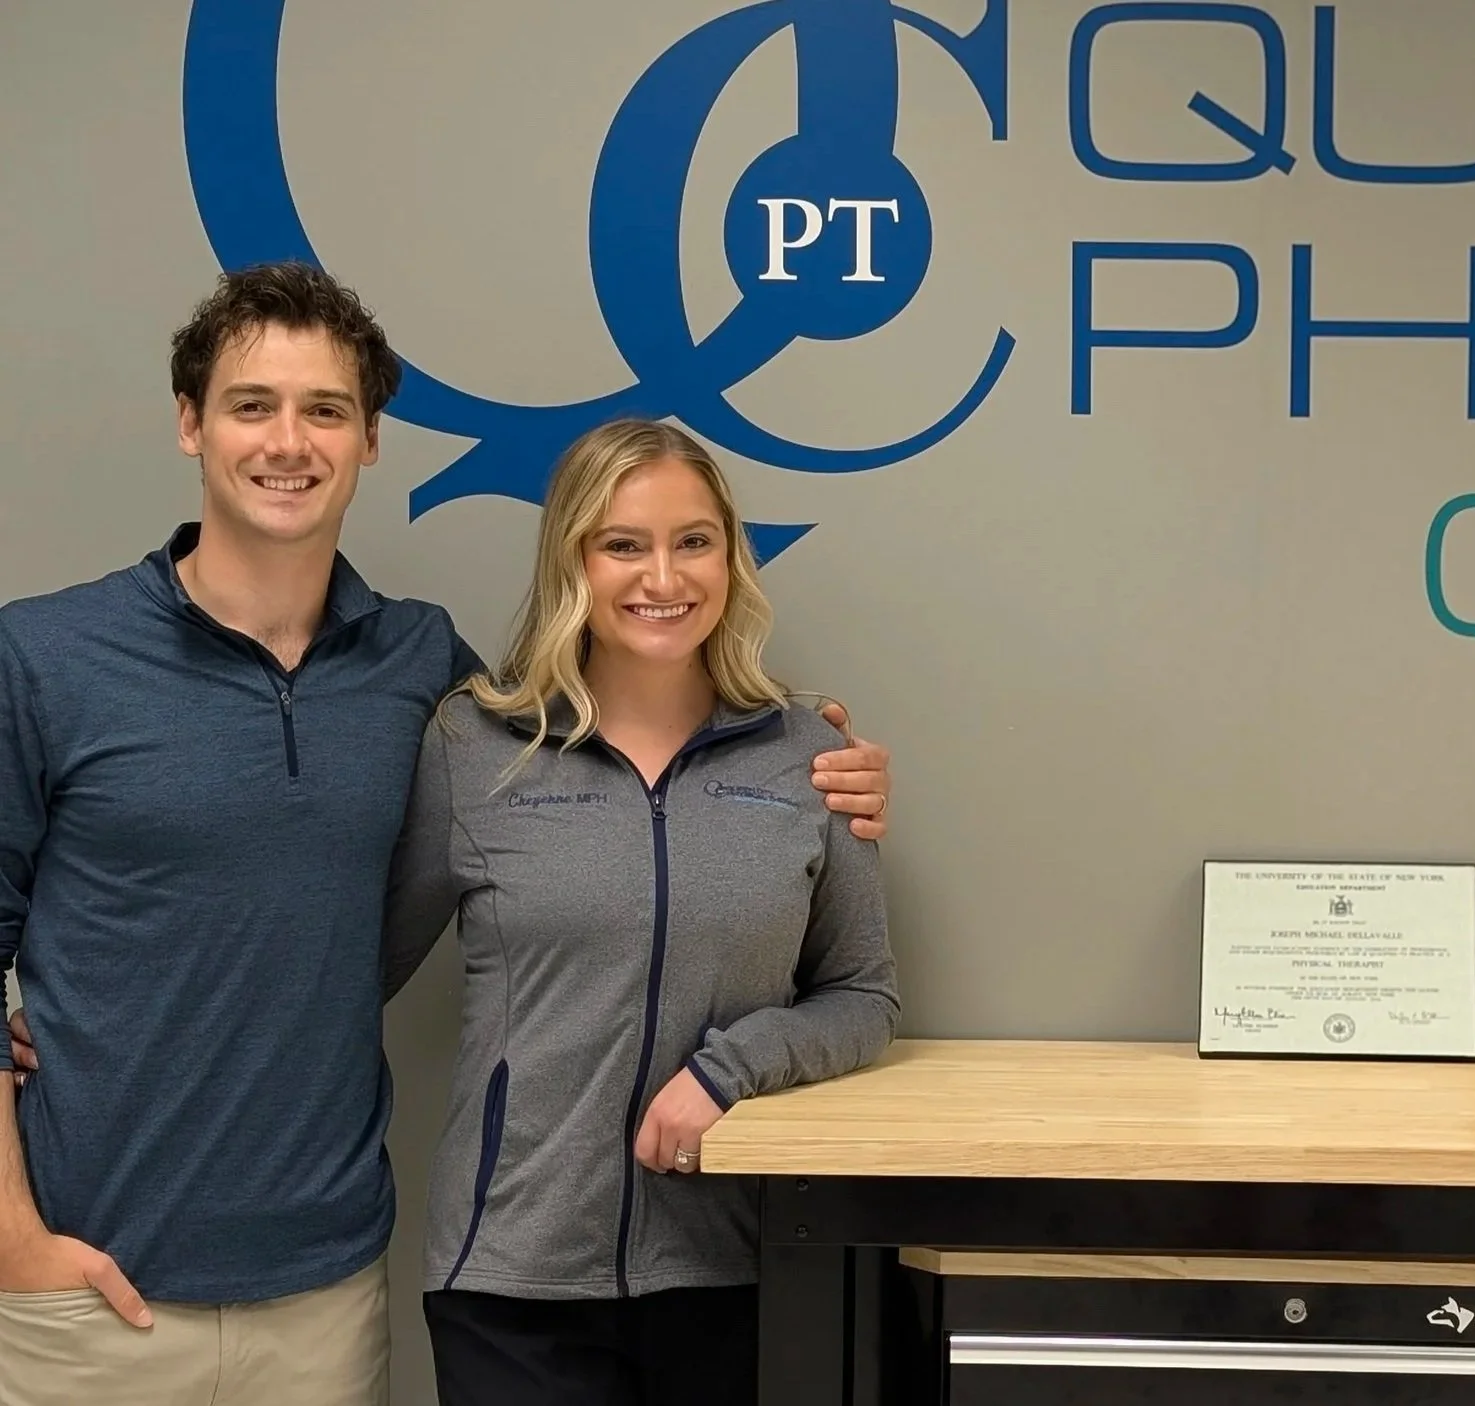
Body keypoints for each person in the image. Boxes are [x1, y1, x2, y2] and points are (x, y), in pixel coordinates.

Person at [0, 262, 894, 1406]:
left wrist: (822, 774)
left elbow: (601, 780)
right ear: (190, 422)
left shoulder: (424, 673)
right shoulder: (46, 656)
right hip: (87, 1283)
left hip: (325, 1287)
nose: (290, 441)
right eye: (251, 404)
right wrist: (14, 1232)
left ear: (370, 437)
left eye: (326, 409)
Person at [379, 417, 896, 1405]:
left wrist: (726, 1071)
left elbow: (863, 993)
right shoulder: (475, 743)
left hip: (735, 1266)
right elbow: (352, 964)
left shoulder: (809, 751)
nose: (664, 576)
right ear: (573, 557)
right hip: (511, 1277)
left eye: (693, 540)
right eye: (623, 543)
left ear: (730, 556)